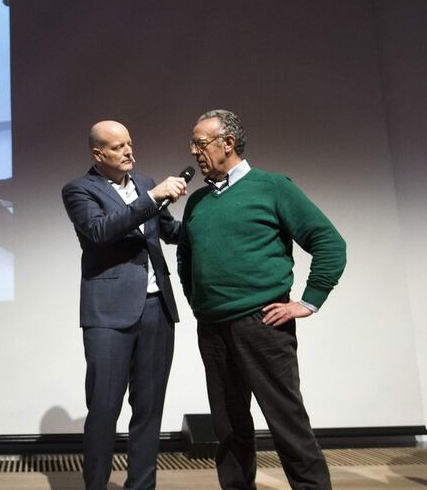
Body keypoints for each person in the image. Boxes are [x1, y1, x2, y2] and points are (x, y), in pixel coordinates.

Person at [177, 110, 346, 490]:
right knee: (229, 429)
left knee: (287, 423)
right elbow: (186, 256)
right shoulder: (197, 202)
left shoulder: (272, 187)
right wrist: (198, 301)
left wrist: (308, 301)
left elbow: (330, 244)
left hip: (263, 324)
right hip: (213, 330)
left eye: (200, 143)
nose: (193, 151)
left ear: (228, 144)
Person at [62, 120, 188, 490]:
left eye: (130, 143)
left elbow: (168, 231)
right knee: (103, 410)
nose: (128, 151)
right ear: (98, 154)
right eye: (118, 147)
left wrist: (207, 219)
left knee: (149, 411)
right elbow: (101, 231)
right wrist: (152, 199)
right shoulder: (78, 190)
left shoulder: (146, 182)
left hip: (156, 309)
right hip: (108, 314)